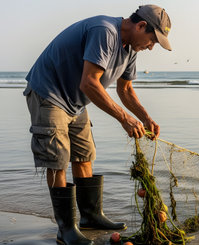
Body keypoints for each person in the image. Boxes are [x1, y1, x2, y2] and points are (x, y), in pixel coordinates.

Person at [23, 4, 171, 245]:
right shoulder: (105, 32)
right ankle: (66, 229)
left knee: (84, 155)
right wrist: (124, 118)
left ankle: (91, 216)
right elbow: (90, 83)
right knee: (58, 159)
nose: (151, 47)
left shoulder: (131, 48)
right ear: (141, 26)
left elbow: (125, 89)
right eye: (152, 40)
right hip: (48, 93)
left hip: (75, 101)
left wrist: (145, 118)